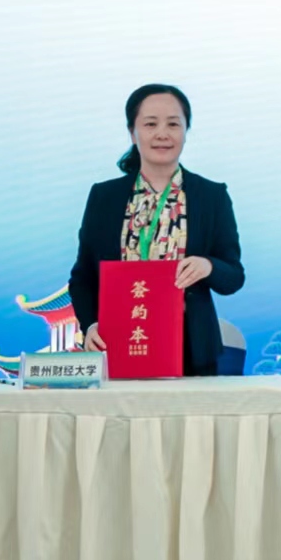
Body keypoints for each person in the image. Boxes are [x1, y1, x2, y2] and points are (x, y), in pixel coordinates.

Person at [68, 84, 244, 376]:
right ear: (132, 132)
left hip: (191, 352)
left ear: (186, 131)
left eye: (173, 124)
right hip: (118, 343)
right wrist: (90, 325)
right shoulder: (104, 197)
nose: (162, 134)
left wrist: (208, 266)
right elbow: (82, 277)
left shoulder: (211, 196)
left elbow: (234, 277)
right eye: (150, 124)